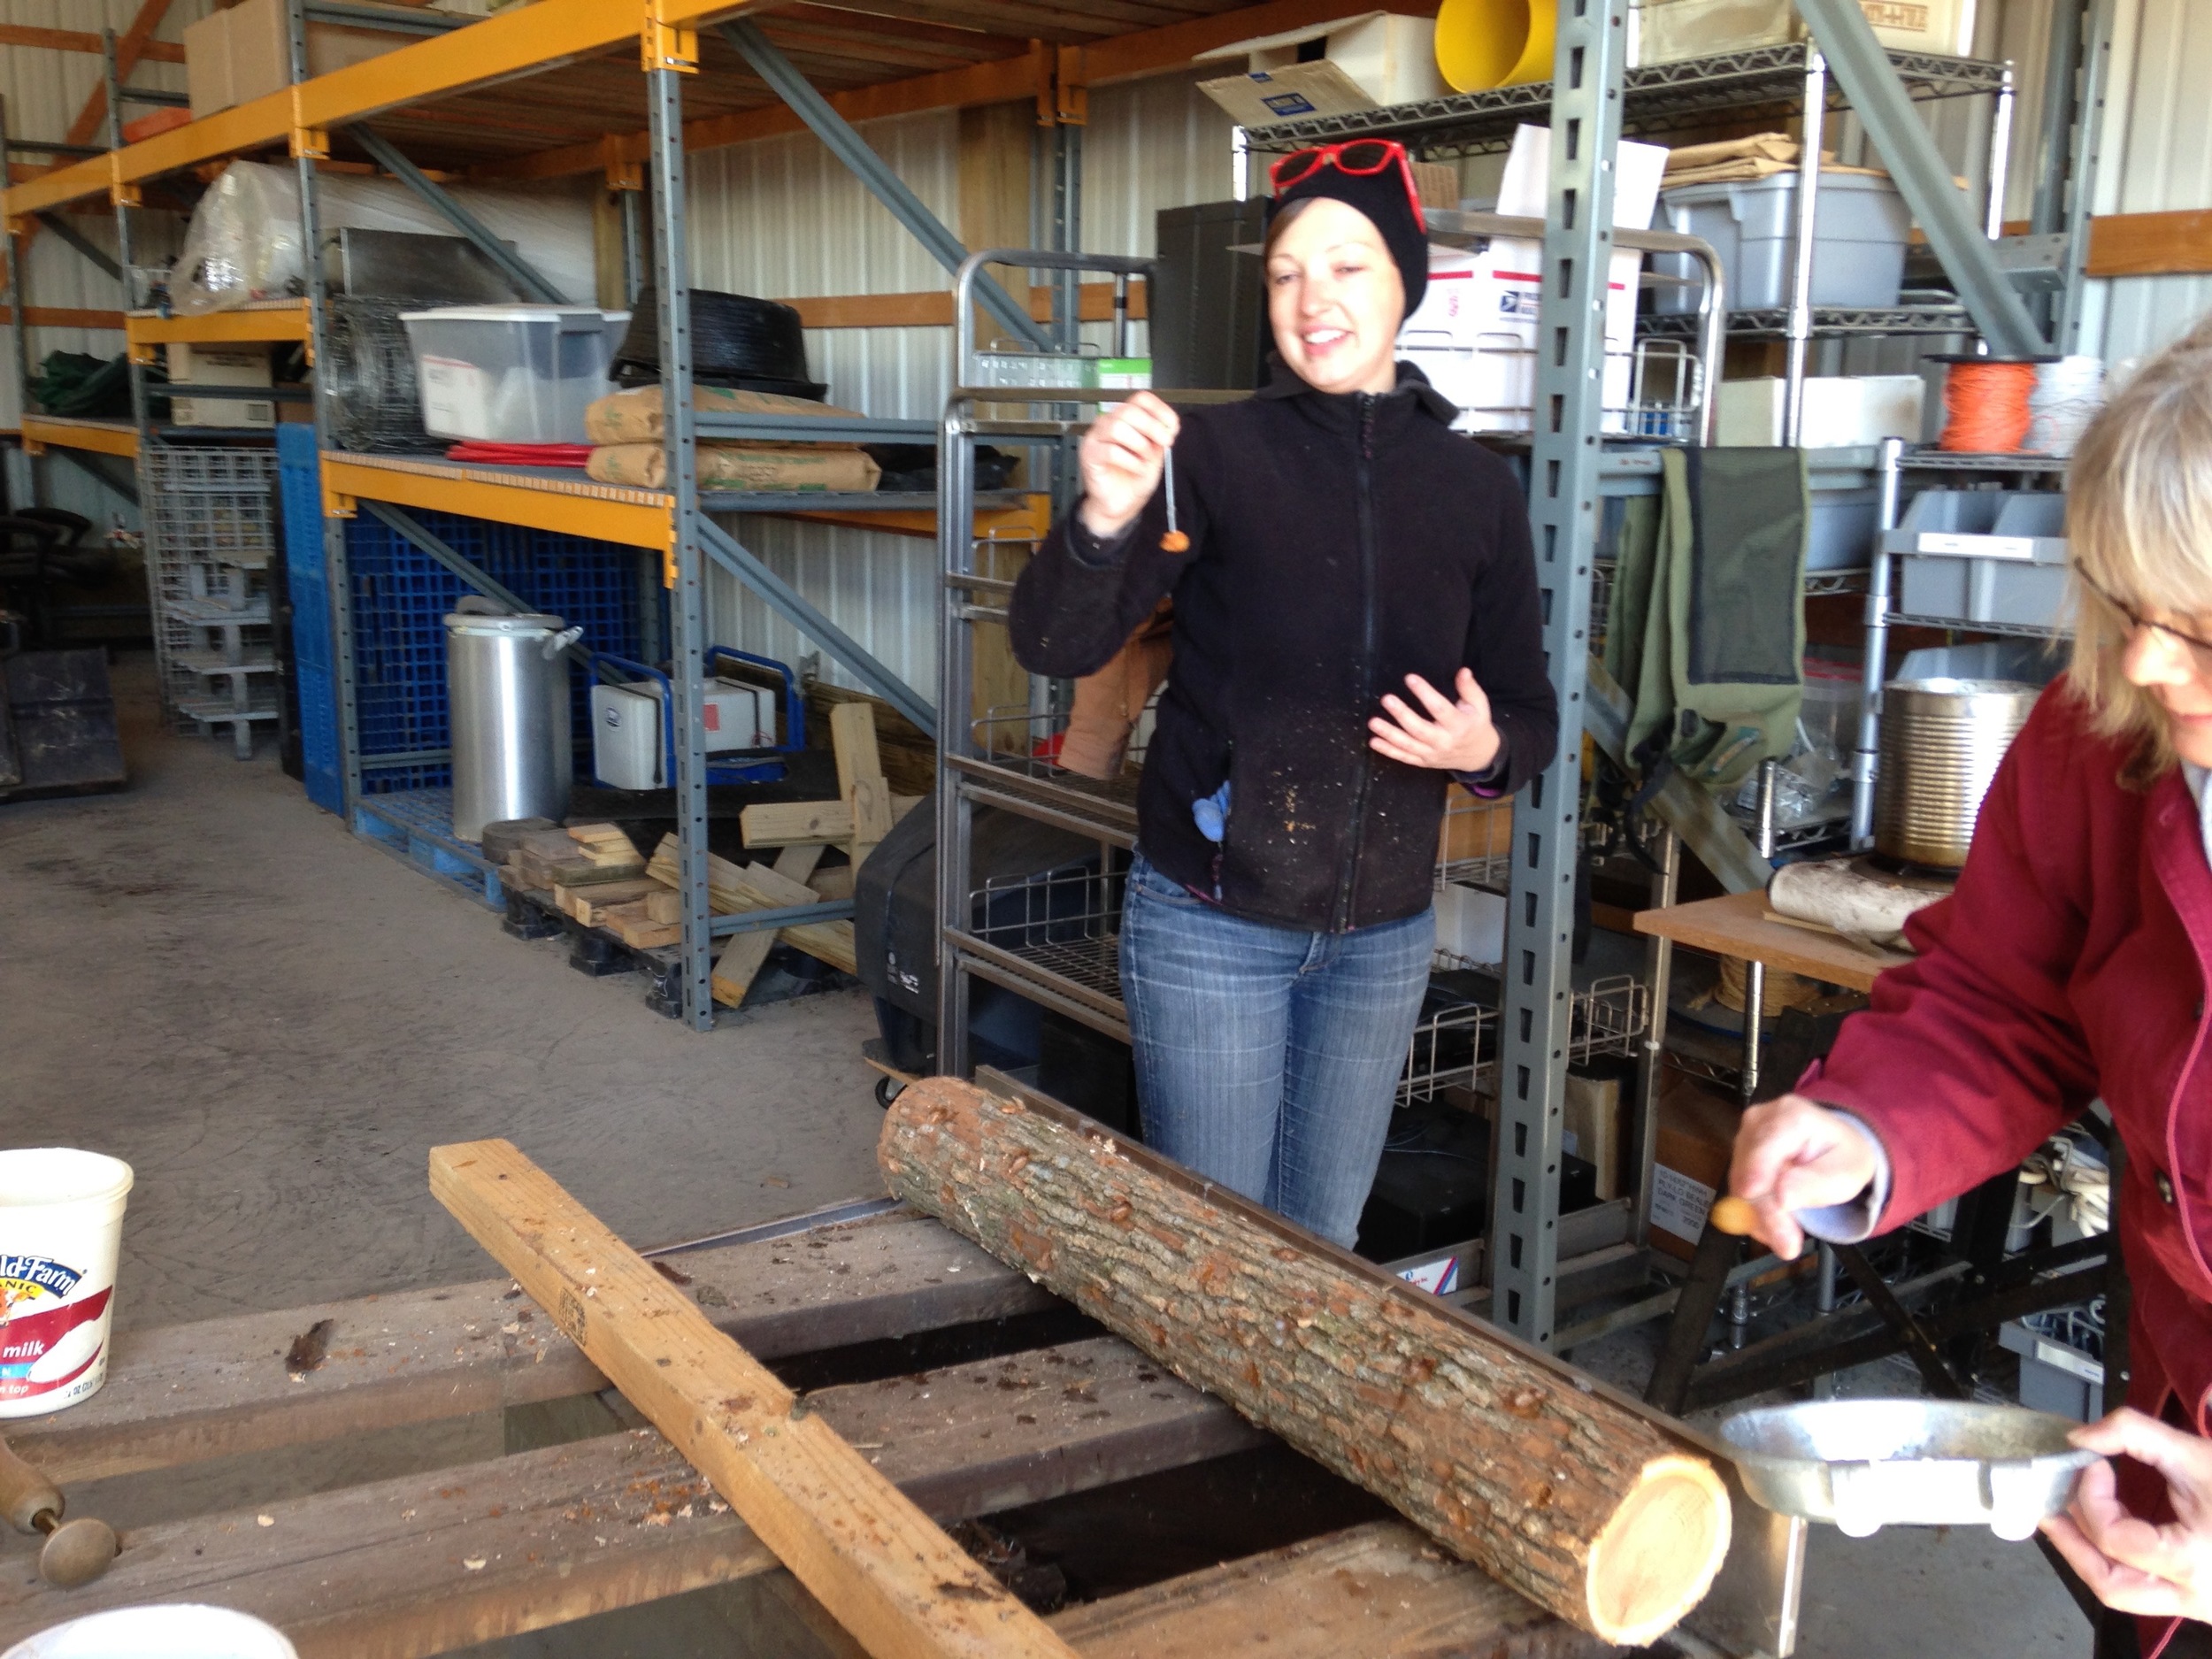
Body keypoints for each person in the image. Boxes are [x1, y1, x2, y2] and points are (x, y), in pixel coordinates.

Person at [1725, 320, 2212, 1655]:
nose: (2153, 667)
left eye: (2206, 630)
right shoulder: (2105, 728)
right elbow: (2007, 994)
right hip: (2178, 1426)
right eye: (2124, 609)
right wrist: (1867, 1124)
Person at [1008, 139, 1558, 1248]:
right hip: (1211, 919)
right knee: (1212, 1247)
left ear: (1407, 281)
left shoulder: (1476, 489)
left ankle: (1284, 1431)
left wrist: (1479, 746)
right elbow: (1056, 643)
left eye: (1347, 266)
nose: (1312, 301)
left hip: (1385, 931)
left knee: (1325, 1245)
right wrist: (1103, 518)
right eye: (1285, 274)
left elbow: (1530, 712)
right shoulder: (1209, 453)